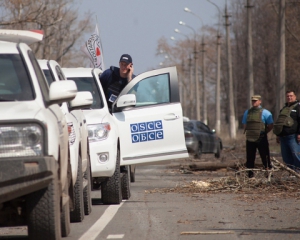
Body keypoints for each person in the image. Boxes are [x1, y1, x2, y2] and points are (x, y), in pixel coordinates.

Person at [242, 94, 274, 178]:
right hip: (250, 138)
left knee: (265, 157)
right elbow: (245, 124)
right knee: (250, 158)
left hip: (261, 137)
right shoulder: (247, 112)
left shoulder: (266, 112)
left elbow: (270, 125)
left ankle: (268, 176)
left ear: (260, 101)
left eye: (255, 101)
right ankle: (250, 176)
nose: (254, 102)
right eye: (253, 101)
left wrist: (264, 132)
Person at [273, 90, 300, 172]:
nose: (289, 97)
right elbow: (280, 122)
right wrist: (278, 135)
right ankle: (292, 174)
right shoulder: (284, 109)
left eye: (291, 96)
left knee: (296, 155)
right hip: (283, 137)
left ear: (295, 96)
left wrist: (299, 133)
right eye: (288, 96)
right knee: (286, 157)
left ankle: (298, 173)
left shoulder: (298, 107)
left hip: (293, 137)